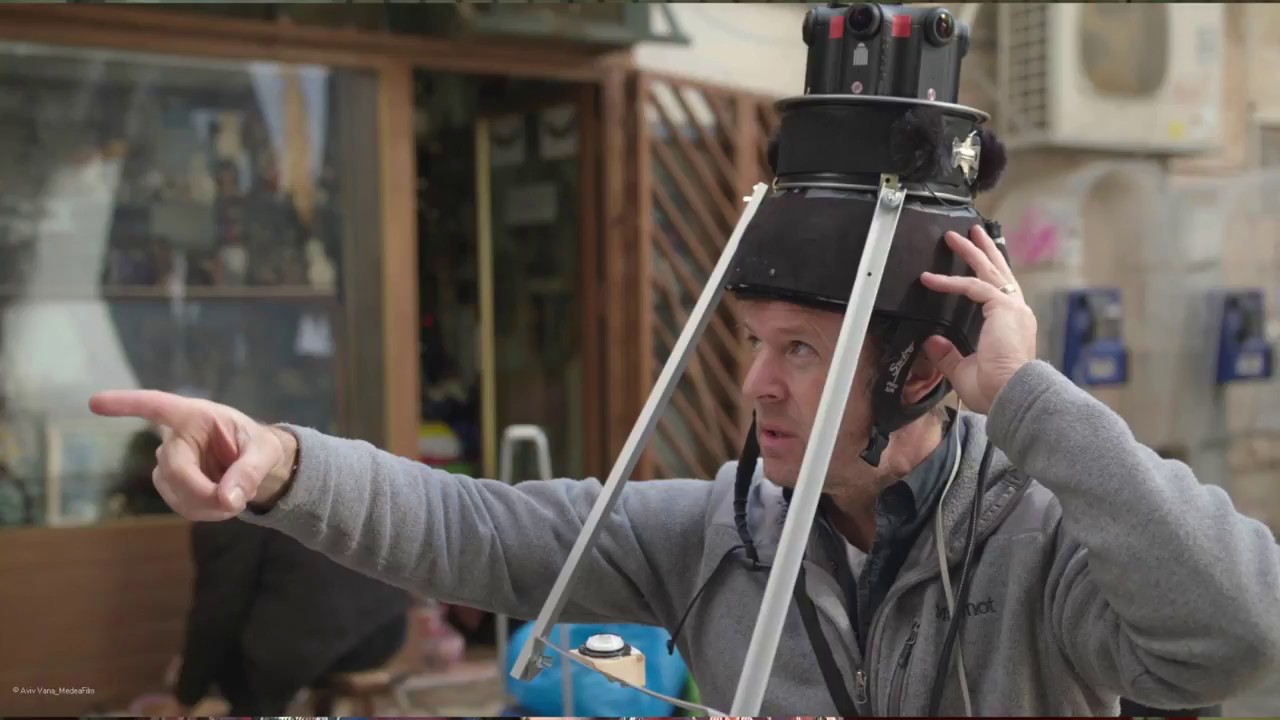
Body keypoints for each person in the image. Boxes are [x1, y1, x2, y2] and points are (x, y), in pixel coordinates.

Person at [90, 220, 1280, 715]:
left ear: (922, 369)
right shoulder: (714, 530)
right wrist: (283, 462)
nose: (754, 385)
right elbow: (478, 528)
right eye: (751, 345)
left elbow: (1237, 633)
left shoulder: (1044, 540)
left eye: (800, 352)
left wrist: (1028, 397)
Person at [165, 518, 413, 715]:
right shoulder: (297, 476)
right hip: (385, 631)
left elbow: (215, 617)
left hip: (317, 643)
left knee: (231, 669)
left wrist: (185, 694)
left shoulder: (227, 517)